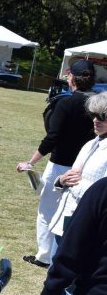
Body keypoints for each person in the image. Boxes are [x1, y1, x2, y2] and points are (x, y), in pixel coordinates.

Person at [16, 59, 96, 268]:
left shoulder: (66, 103)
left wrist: (30, 162)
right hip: (87, 168)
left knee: (47, 211)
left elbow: (53, 137)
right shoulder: (99, 103)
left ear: (72, 79)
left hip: (60, 165)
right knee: (77, 213)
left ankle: (44, 256)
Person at [48, 93, 107, 247]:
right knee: (53, 269)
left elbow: (102, 195)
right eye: (94, 115)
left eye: (102, 116)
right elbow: (70, 178)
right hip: (64, 221)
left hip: (85, 229)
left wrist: (76, 184)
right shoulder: (89, 144)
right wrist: (61, 181)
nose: (95, 120)